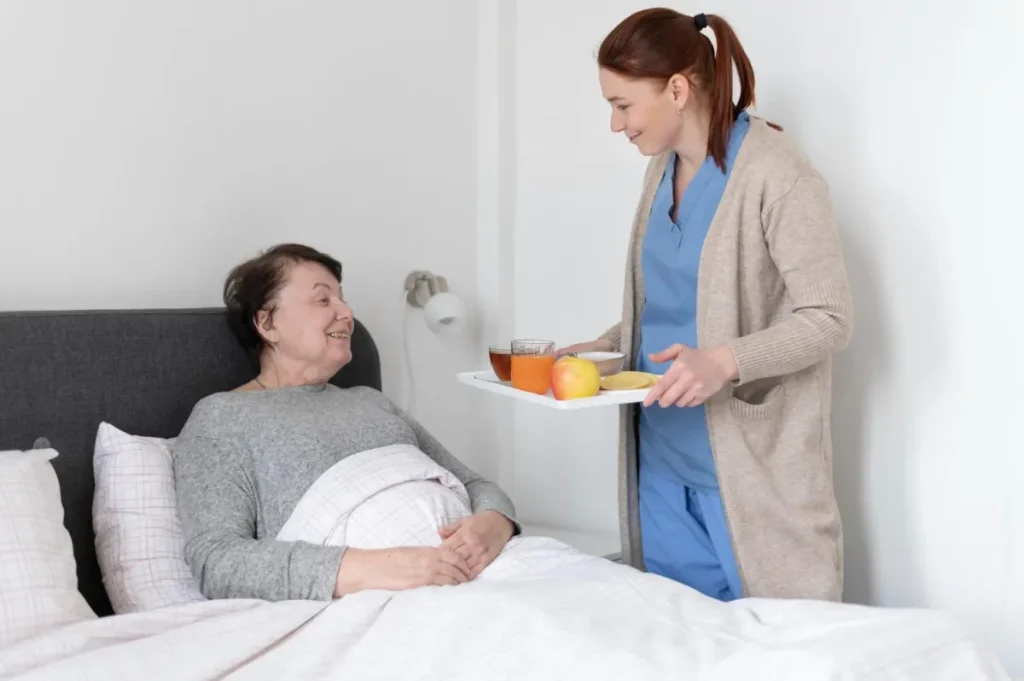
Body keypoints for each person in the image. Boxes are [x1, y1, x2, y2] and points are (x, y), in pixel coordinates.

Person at [559, 9, 853, 602]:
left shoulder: (778, 175)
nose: (615, 125)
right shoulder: (662, 171)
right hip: (662, 461)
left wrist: (724, 361)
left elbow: (830, 317)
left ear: (676, 88)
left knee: (783, 651)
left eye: (623, 105)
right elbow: (682, 301)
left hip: (749, 474)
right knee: (683, 648)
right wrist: (612, 343)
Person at [172, 243, 519, 602]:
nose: (347, 313)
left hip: (489, 569)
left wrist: (495, 523)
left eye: (343, 299)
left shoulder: (370, 401)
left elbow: (476, 485)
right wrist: (381, 568)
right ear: (267, 322)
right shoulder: (222, 418)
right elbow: (218, 562)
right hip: (386, 595)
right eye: (323, 301)